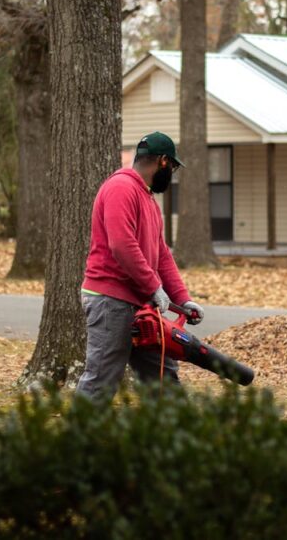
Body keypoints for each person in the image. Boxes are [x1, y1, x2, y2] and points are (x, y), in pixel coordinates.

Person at [76, 131, 205, 399]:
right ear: (161, 161)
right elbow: (121, 245)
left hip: (142, 306)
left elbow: (162, 256)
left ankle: (176, 439)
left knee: (162, 379)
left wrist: (183, 299)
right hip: (110, 302)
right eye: (172, 167)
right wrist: (154, 287)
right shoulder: (121, 188)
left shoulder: (147, 199)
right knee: (100, 381)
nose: (172, 175)